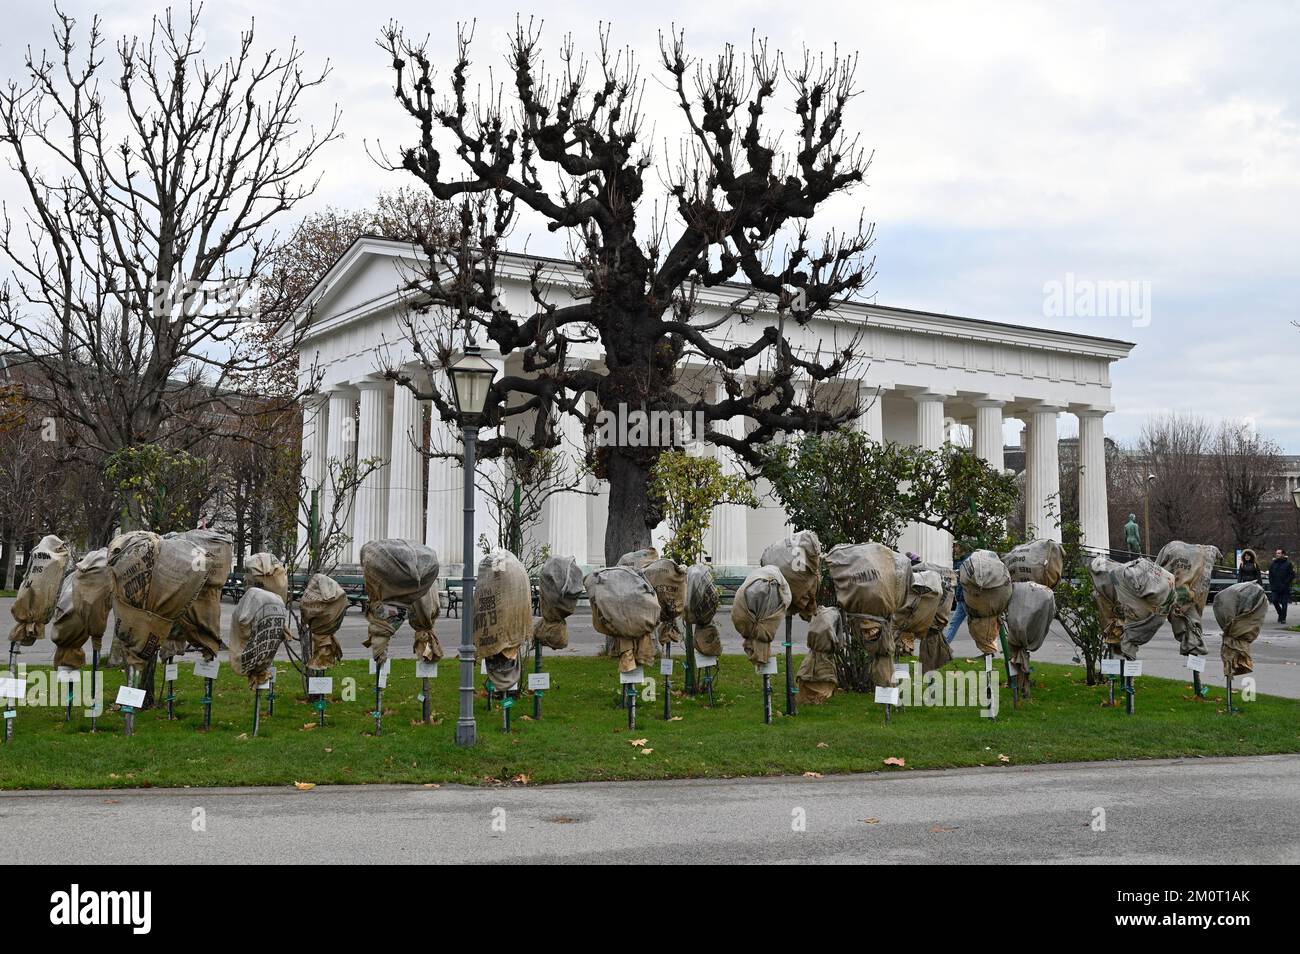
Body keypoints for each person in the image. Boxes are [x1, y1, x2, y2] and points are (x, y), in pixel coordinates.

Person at [944, 541, 970, 644]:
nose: (954, 549)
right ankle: (944, 645)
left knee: (974, 624)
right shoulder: (962, 561)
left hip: (965, 598)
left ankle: (988, 650)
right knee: (954, 623)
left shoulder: (966, 561)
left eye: (956, 546)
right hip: (961, 598)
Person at [1268, 548, 1295, 624]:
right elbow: (1270, 575)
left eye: (1279, 553)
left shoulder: (1288, 564)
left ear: (1283, 554)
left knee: (1284, 603)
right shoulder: (1273, 564)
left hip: (1284, 587)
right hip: (1275, 587)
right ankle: (1280, 614)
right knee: (1274, 600)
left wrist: (1286, 583)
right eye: (1277, 553)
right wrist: (1272, 583)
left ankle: (1283, 618)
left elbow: (1291, 575)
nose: (1277, 554)